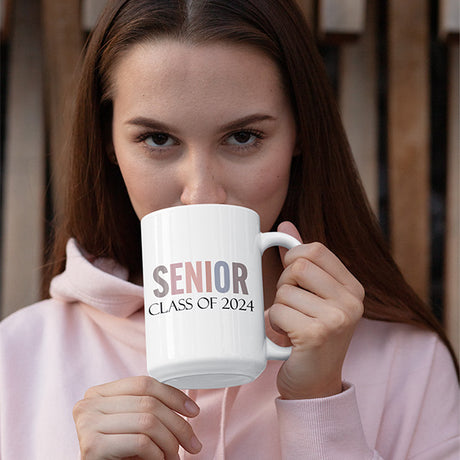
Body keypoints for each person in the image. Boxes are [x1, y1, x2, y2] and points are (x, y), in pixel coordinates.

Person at [1, 0, 458, 458]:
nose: (200, 193)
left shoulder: (410, 363)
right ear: (109, 143)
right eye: (157, 139)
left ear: (300, 134)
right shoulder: (20, 358)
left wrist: (320, 406)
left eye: (243, 137)